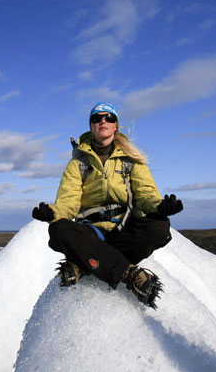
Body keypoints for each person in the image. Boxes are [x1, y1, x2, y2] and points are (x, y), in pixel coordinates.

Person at [31, 102, 183, 308]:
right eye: (97, 118)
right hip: (92, 232)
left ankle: (85, 264)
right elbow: (68, 201)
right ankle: (130, 275)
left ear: (115, 126)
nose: (103, 121)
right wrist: (53, 212)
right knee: (59, 229)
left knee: (159, 227)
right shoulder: (78, 164)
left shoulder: (131, 160)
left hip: (124, 230)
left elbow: (146, 194)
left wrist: (159, 207)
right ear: (91, 126)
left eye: (108, 118)